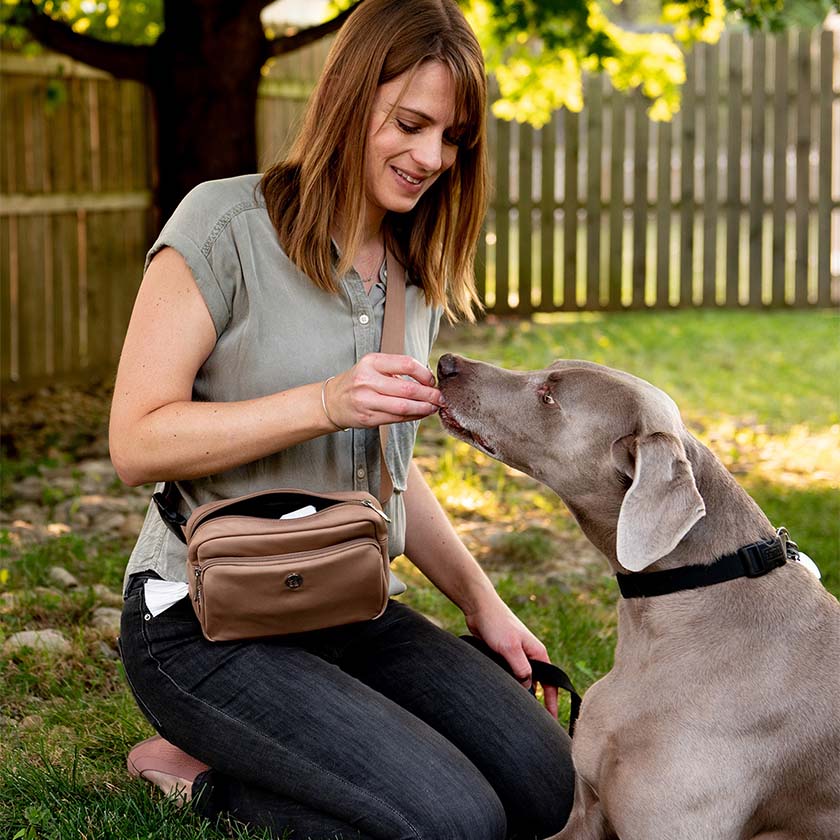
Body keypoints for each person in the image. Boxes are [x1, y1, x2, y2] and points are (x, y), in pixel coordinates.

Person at [110, 1, 575, 837]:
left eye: (453, 137)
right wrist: (324, 402)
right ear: (349, 97)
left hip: (346, 603)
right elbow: (136, 441)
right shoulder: (223, 227)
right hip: (203, 619)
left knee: (551, 789)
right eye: (410, 124)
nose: (431, 157)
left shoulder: (413, 268)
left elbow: (392, 465)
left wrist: (484, 605)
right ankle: (197, 780)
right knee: (457, 824)